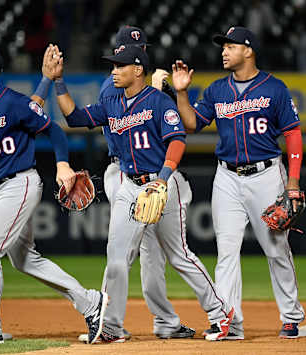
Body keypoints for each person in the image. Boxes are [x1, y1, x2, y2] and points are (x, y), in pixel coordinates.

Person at [49, 43, 234, 343]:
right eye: (113, 65)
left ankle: (221, 314)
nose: (113, 71)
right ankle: (110, 326)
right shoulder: (112, 102)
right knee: (116, 258)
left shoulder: (158, 101)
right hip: (129, 185)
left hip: (162, 184)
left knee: (179, 255)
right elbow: (75, 117)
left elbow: (177, 141)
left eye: (119, 66)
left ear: (138, 70)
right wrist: (58, 81)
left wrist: (162, 179)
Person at [0, 44, 107, 345]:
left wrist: (63, 165)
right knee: (25, 260)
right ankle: (91, 303)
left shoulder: (12, 102)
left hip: (20, 184)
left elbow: (55, 131)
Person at [172, 26, 306, 339]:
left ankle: (290, 316)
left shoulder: (274, 88)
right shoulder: (218, 90)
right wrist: (181, 93)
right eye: (223, 47)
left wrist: (294, 182)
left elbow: (293, 133)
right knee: (227, 251)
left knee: (276, 249)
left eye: (230, 46)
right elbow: (192, 124)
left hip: (267, 175)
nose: (223, 51)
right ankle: (230, 321)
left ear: (248, 50)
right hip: (227, 177)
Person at [77, 26, 194, 343]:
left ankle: (161, 321)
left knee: (148, 254)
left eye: (142, 47)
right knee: (126, 253)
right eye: (135, 48)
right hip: (126, 171)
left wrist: (162, 93)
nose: (142, 51)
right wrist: (155, 92)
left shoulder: (138, 87)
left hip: (143, 172)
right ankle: (110, 322)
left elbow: (171, 123)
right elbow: (132, 125)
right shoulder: (113, 88)